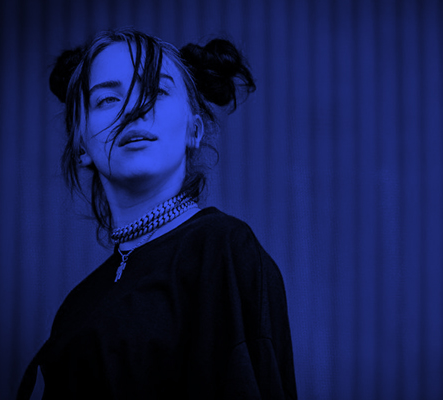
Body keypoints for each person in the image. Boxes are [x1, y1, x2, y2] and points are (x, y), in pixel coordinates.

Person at [17, 27, 297, 399]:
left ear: (193, 130)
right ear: (81, 144)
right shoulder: (76, 305)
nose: (134, 110)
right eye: (108, 99)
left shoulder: (223, 250)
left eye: (157, 91)